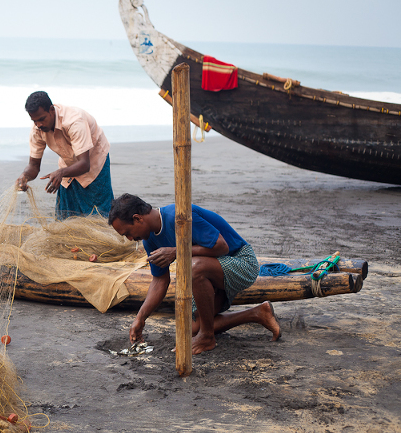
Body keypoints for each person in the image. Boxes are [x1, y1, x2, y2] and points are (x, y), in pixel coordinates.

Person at [107, 193, 281, 354]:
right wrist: (140, 318)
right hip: (212, 273)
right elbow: (160, 280)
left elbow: (222, 247)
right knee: (191, 328)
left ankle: (207, 337)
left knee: (193, 266)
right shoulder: (149, 239)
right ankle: (257, 313)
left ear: (137, 219)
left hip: (241, 262)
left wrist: (176, 252)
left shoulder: (178, 216)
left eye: (128, 233)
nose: (129, 239)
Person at [16, 91, 113, 220]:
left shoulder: (74, 121)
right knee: (67, 216)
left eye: (41, 119)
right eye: (34, 121)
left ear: (51, 110)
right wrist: (24, 177)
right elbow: (33, 165)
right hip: (67, 164)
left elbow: (84, 164)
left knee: (99, 214)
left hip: (94, 161)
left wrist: (61, 173)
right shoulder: (37, 130)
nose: (38, 125)